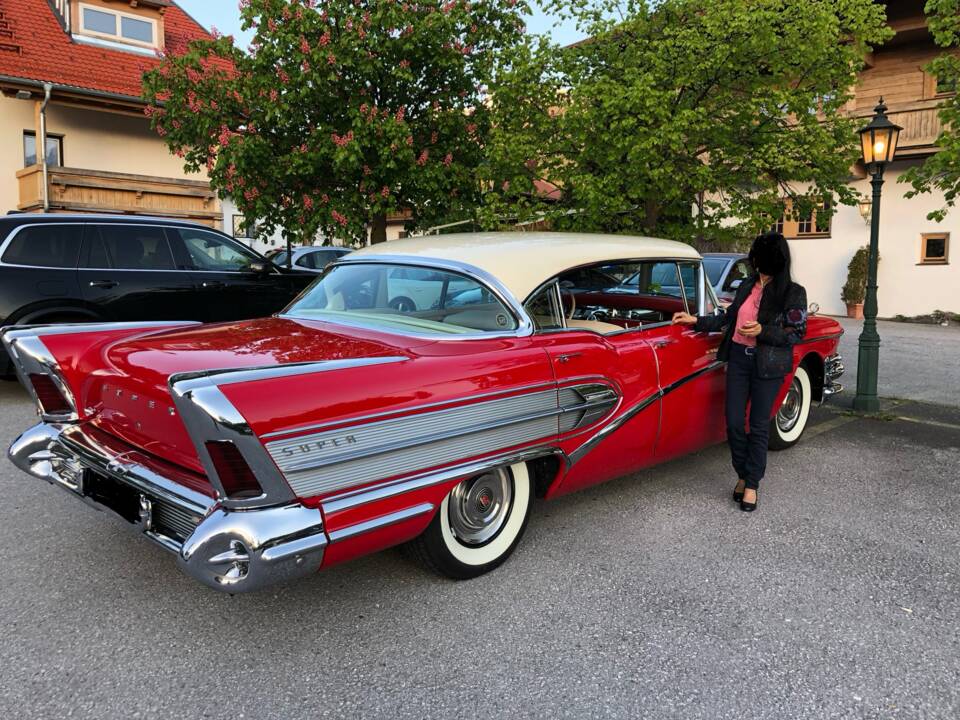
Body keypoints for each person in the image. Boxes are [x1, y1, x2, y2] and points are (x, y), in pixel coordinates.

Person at [672, 232, 807, 512]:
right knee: (733, 422)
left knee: (758, 426)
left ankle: (752, 484)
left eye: (760, 257)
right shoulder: (747, 285)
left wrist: (763, 331)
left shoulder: (794, 292)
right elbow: (728, 318)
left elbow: (796, 333)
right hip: (739, 359)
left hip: (767, 365)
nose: (756, 262)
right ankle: (743, 474)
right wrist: (696, 320)